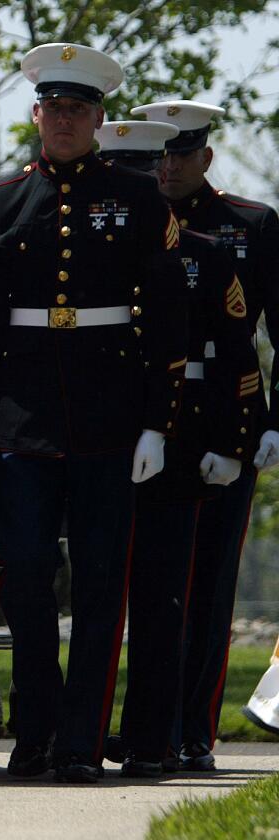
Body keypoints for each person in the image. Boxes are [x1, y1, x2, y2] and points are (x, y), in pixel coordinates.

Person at [0, 44, 188, 783]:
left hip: (108, 411)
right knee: (25, 571)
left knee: (98, 579)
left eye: (77, 110)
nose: (62, 120)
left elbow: (165, 316)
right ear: (34, 115)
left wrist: (157, 420)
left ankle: (80, 742)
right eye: (51, 108)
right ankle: (35, 731)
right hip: (24, 415)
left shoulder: (139, 198)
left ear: (97, 118)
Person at [93, 119, 258, 777]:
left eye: (146, 170)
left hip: (184, 437)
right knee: (97, 598)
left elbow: (236, 356)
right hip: (96, 432)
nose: (139, 183)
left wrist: (233, 442)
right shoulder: (75, 249)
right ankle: (73, 733)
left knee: (166, 601)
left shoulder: (205, 252)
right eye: (123, 172)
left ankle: (152, 737)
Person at [131, 98, 279, 771]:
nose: (168, 166)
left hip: (225, 418)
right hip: (144, 420)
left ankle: (194, 731)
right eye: (160, 153)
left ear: (206, 157)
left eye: (181, 153)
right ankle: (144, 729)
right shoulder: (134, 221)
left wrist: (274, 424)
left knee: (211, 584)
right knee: (146, 587)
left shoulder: (250, 225)